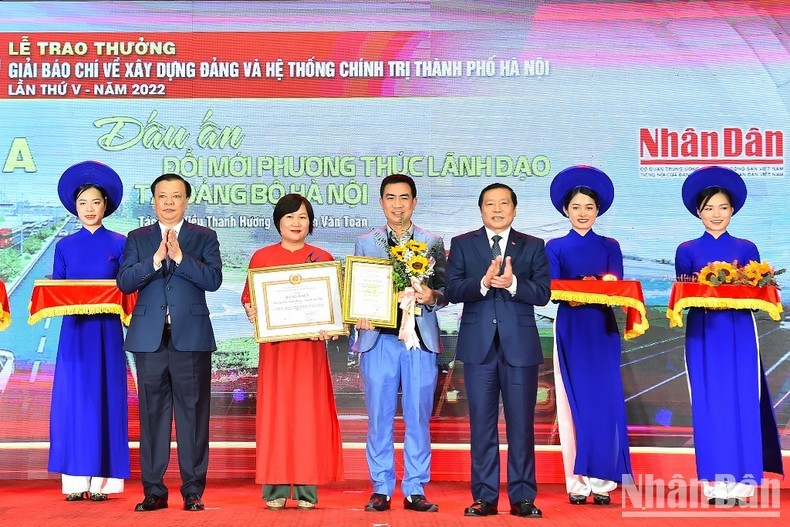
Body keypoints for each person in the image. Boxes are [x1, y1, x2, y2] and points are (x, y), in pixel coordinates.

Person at [675, 166, 783, 506]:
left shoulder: (747, 248)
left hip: (739, 332)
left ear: (732, 210)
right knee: (708, 403)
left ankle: (743, 484)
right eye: (709, 208)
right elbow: (684, 291)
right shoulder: (687, 249)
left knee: (741, 402)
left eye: (722, 207)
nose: (716, 214)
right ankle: (714, 485)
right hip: (704, 331)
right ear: (698, 212)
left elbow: (756, 293)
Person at [117, 173, 222, 512]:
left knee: (192, 415)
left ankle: (193, 490)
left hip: (190, 338)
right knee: (153, 416)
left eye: (176, 196)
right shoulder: (137, 238)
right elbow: (125, 282)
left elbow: (213, 280)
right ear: (154, 201)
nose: (169, 202)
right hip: (149, 339)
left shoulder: (204, 237)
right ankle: (154, 491)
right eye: (162, 196)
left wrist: (179, 258)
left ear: (186, 201)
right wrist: (155, 261)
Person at [445, 183, 550, 518]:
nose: (497, 209)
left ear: (514, 209)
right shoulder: (462, 244)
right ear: (481, 210)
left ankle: (522, 497)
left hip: (519, 349)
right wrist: (483, 283)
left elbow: (543, 293)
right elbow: (452, 289)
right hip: (479, 349)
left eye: (504, 203)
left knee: (521, 426)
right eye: (490, 203)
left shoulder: (533, 246)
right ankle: (485, 497)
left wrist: (514, 284)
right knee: (482, 425)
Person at [241, 194, 344, 510]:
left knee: (306, 415)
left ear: (310, 222)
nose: (296, 223)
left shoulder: (322, 256)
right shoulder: (262, 257)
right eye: (289, 217)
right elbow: (250, 300)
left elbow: (335, 308)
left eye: (302, 217)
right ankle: (273, 489)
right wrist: (252, 311)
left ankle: (305, 490)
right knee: (276, 414)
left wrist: (333, 323)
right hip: (275, 351)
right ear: (278, 222)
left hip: (309, 350)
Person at [353, 174, 447, 513]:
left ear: (414, 202)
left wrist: (431, 294)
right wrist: (359, 313)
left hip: (420, 340)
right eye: (390, 198)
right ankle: (381, 486)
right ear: (381, 203)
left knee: (418, 415)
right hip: (379, 340)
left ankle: (415, 487)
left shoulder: (432, 242)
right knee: (379, 415)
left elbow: (445, 291)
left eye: (404, 198)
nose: (397, 205)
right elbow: (359, 287)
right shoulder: (366, 242)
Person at [545, 166, 633, 505]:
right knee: (572, 403)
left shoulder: (610, 246)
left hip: (601, 327)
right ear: (566, 210)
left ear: (598, 211)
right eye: (576, 207)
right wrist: (583, 288)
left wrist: (591, 288)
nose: (583, 213)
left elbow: (618, 287)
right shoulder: (555, 246)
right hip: (570, 326)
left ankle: (603, 480)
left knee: (605, 401)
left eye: (589, 208)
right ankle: (577, 481)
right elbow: (553, 289)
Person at [49, 161, 129, 501]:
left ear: (105, 205)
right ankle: (75, 481)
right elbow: (54, 290)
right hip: (75, 332)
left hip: (108, 332)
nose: (89, 209)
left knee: (107, 399)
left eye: (96, 202)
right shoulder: (64, 246)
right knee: (75, 399)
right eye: (83, 203)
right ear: (74, 207)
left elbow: (128, 287)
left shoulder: (121, 243)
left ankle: (103, 482)